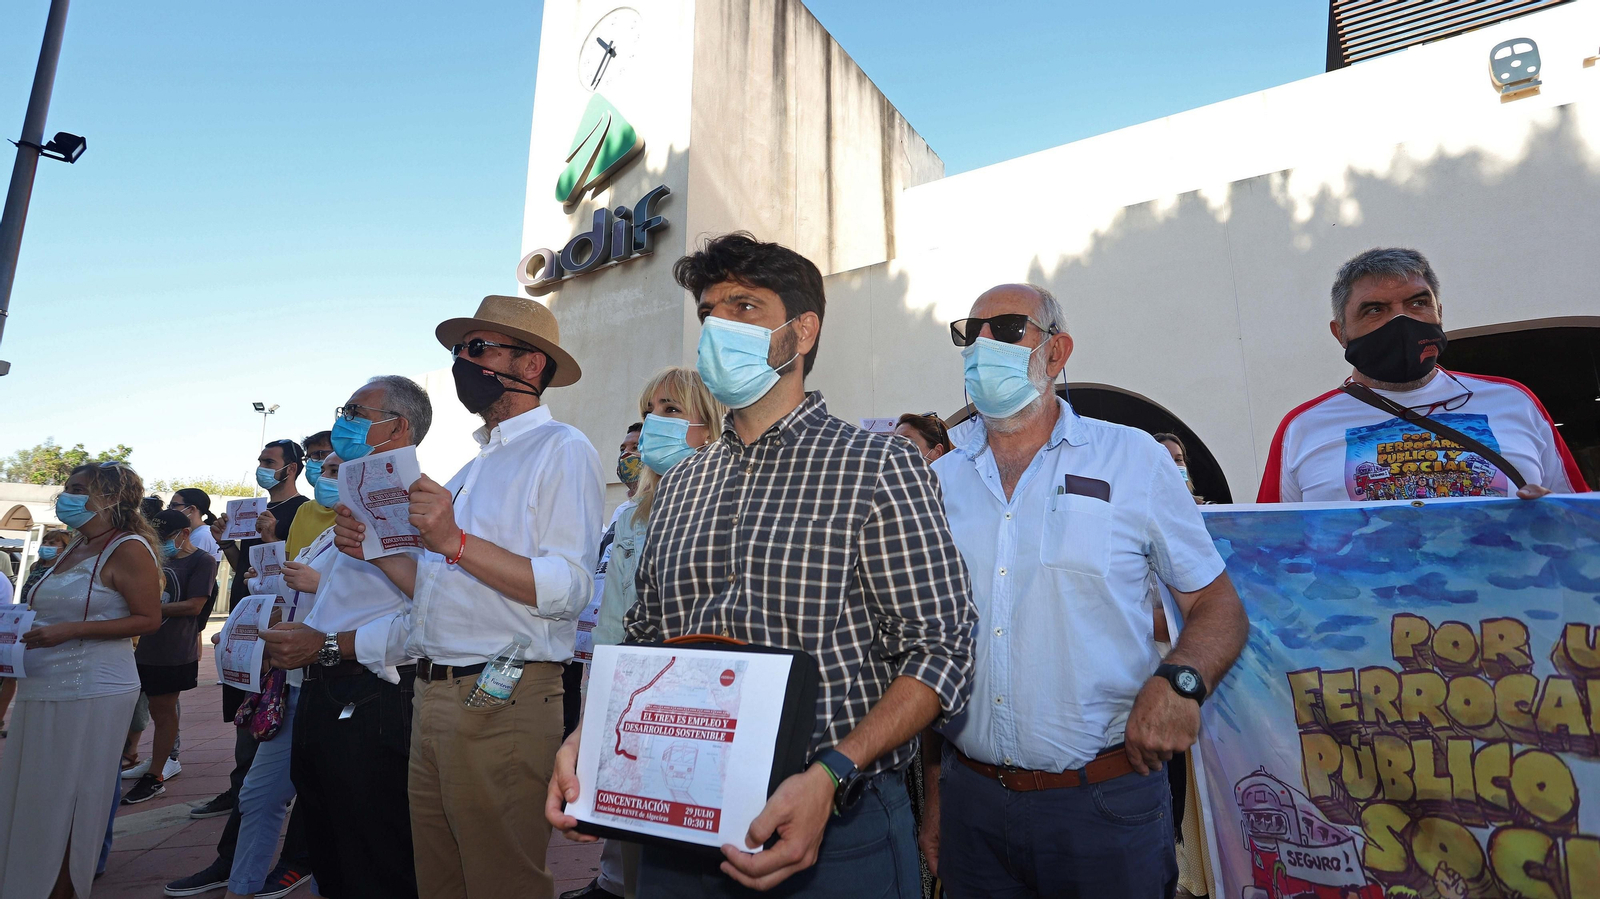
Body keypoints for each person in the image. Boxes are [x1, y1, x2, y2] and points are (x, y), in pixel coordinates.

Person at [548, 233, 977, 897]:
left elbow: (941, 648)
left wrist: (831, 771)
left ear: (801, 331)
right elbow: (644, 636)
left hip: (835, 833)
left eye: (745, 306)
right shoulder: (684, 483)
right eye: (711, 310)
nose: (721, 325)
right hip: (681, 833)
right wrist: (592, 739)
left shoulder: (877, 466)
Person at [923, 283, 1249, 898]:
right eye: (971, 334)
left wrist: (1179, 680)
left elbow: (1217, 606)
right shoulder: (938, 482)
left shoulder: (1133, 460)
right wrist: (938, 794)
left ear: (1057, 352)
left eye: (1008, 329)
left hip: (1103, 806)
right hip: (972, 807)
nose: (982, 346)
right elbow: (933, 643)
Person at [333, 296, 603, 899]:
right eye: (459, 351)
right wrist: (377, 550)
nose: (462, 362)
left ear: (531, 365)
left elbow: (569, 588)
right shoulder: (469, 468)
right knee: (441, 879)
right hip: (434, 695)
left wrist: (454, 540)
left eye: (478, 349)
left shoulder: (562, 449)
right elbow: (436, 588)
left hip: (502, 698)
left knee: (501, 881)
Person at [261, 375, 434, 899]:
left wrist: (329, 643)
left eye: (356, 413)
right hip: (324, 693)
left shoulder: (420, 505)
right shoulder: (351, 505)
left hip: (375, 697)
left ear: (396, 428)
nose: (343, 422)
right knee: (332, 849)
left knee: (374, 859)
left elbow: (430, 618)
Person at [561, 368, 725, 899]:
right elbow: (613, 622)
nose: (655, 421)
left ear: (710, 424)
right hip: (631, 697)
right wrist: (599, 710)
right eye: (650, 408)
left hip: (695, 707)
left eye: (671, 410)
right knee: (632, 845)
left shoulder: (732, 504)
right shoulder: (634, 515)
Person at [1258, 247, 1588, 502]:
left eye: (1418, 303)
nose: (1402, 321)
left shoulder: (1515, 401)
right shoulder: (1302, 428)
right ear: (1340, 332)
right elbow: (1268, 548)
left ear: (1439, 314)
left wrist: (1557, 519)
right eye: (1375, 310)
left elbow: (1582, 520)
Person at [0, 462, 162, 898]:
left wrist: (72, 630)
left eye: (77, 489)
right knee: (34, 794)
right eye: (66, 487)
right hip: (41, 683)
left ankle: (61, 888)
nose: (65, 496)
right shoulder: (75, 544)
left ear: (110, 497)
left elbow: (148, 619)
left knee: (68, 797)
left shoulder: (128, 548)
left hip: (91, 687)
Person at [170, 441, 313, 897]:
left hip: (290, 648)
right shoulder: (259, 513)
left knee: (289, 763)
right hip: (251, 641)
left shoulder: (306, 514)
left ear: (292, 469)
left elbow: (296, 579)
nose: (261, 469)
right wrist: (234, 542)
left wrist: (273, 541)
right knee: (249, 738)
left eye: (269, 463)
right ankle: (236, 860)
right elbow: (248, 572)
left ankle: (294, 859)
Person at [122, 511, 218, 805]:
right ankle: (146, 762)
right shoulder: (151, 559)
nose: (159, 543)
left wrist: (149, 610)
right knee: (137, 708)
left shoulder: (202, 561)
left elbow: (194, 605)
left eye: (164, 538)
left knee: (163, 711)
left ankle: (157, 774)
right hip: (140, 648)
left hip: (173, 650)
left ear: (184, 534)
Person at [1, 529, 72, 735]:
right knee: (11, 673)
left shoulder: (63, 570)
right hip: (23, 622)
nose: (47, 546)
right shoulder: (36, 566)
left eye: (54, 543)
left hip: (44, 626)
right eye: (46, 541)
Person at [284, 430, 337, 558]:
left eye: (319, 454)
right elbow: (288, 562)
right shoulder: (304, 510)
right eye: (309, 458)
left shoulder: (362, 511)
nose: (314, 462)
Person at [169, 488, 223, 562]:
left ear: (191, 509)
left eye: (174, 505)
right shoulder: (196, 532)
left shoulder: (202, 535)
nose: (170, 510)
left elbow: (185, 565)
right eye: (169, 506)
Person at [1150, 432, 1203, 503]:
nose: (1174, 465)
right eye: (1166, 459)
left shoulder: (1203, 509)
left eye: (1178, 460)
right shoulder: (1136, 509)